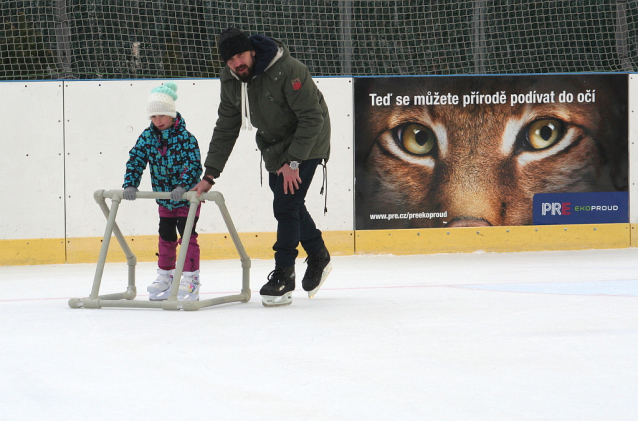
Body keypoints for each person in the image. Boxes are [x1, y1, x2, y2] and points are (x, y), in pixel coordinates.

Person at [193, 27, 332, 307]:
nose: (236, 63)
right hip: (273, 146)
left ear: (252, 51)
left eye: (240, 55)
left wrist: (294, 162)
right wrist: (210, 174)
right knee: (290, 204)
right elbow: (226, 127)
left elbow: (312, 119)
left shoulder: (289, 70)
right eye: (229, 59)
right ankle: (318, 254)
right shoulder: (231, 80)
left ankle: (284, 274)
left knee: (285, 204)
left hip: (309, 140)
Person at [122, 81, 203, 301]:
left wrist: (183, 186)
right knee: (166, 236)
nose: (157, 121)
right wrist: (131, 183)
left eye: (161, 116)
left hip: (187, 200)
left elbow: (194, 164)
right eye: (153, 117)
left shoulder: (186, 138)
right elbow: (136, 159)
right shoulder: (147, 137)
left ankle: (191, 278)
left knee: (186, 236)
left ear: (171, 114)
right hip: (164, 200)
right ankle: (165, 275)